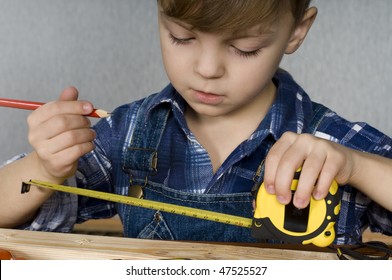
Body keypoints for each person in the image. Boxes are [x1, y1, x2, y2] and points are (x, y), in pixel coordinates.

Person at [0, 0, 391, 245]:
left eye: (244, 48)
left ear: (296, 31)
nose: (206, 70)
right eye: (182, 38)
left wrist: (357, 166)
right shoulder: (131, 133)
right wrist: (44, 166)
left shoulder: (331, 143)